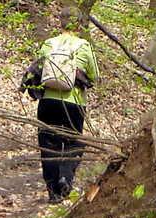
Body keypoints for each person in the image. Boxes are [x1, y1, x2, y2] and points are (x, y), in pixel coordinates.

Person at [21, 14, 99, 202]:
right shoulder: (84, 46)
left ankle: (53, 192)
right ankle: (65, 177)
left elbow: (37, 70)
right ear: (79, 25)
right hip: (74, 102)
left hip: (48, 101)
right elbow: (94, 76)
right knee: (73, 141)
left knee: (48, 143)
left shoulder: (48, 44)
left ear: (60, 23)